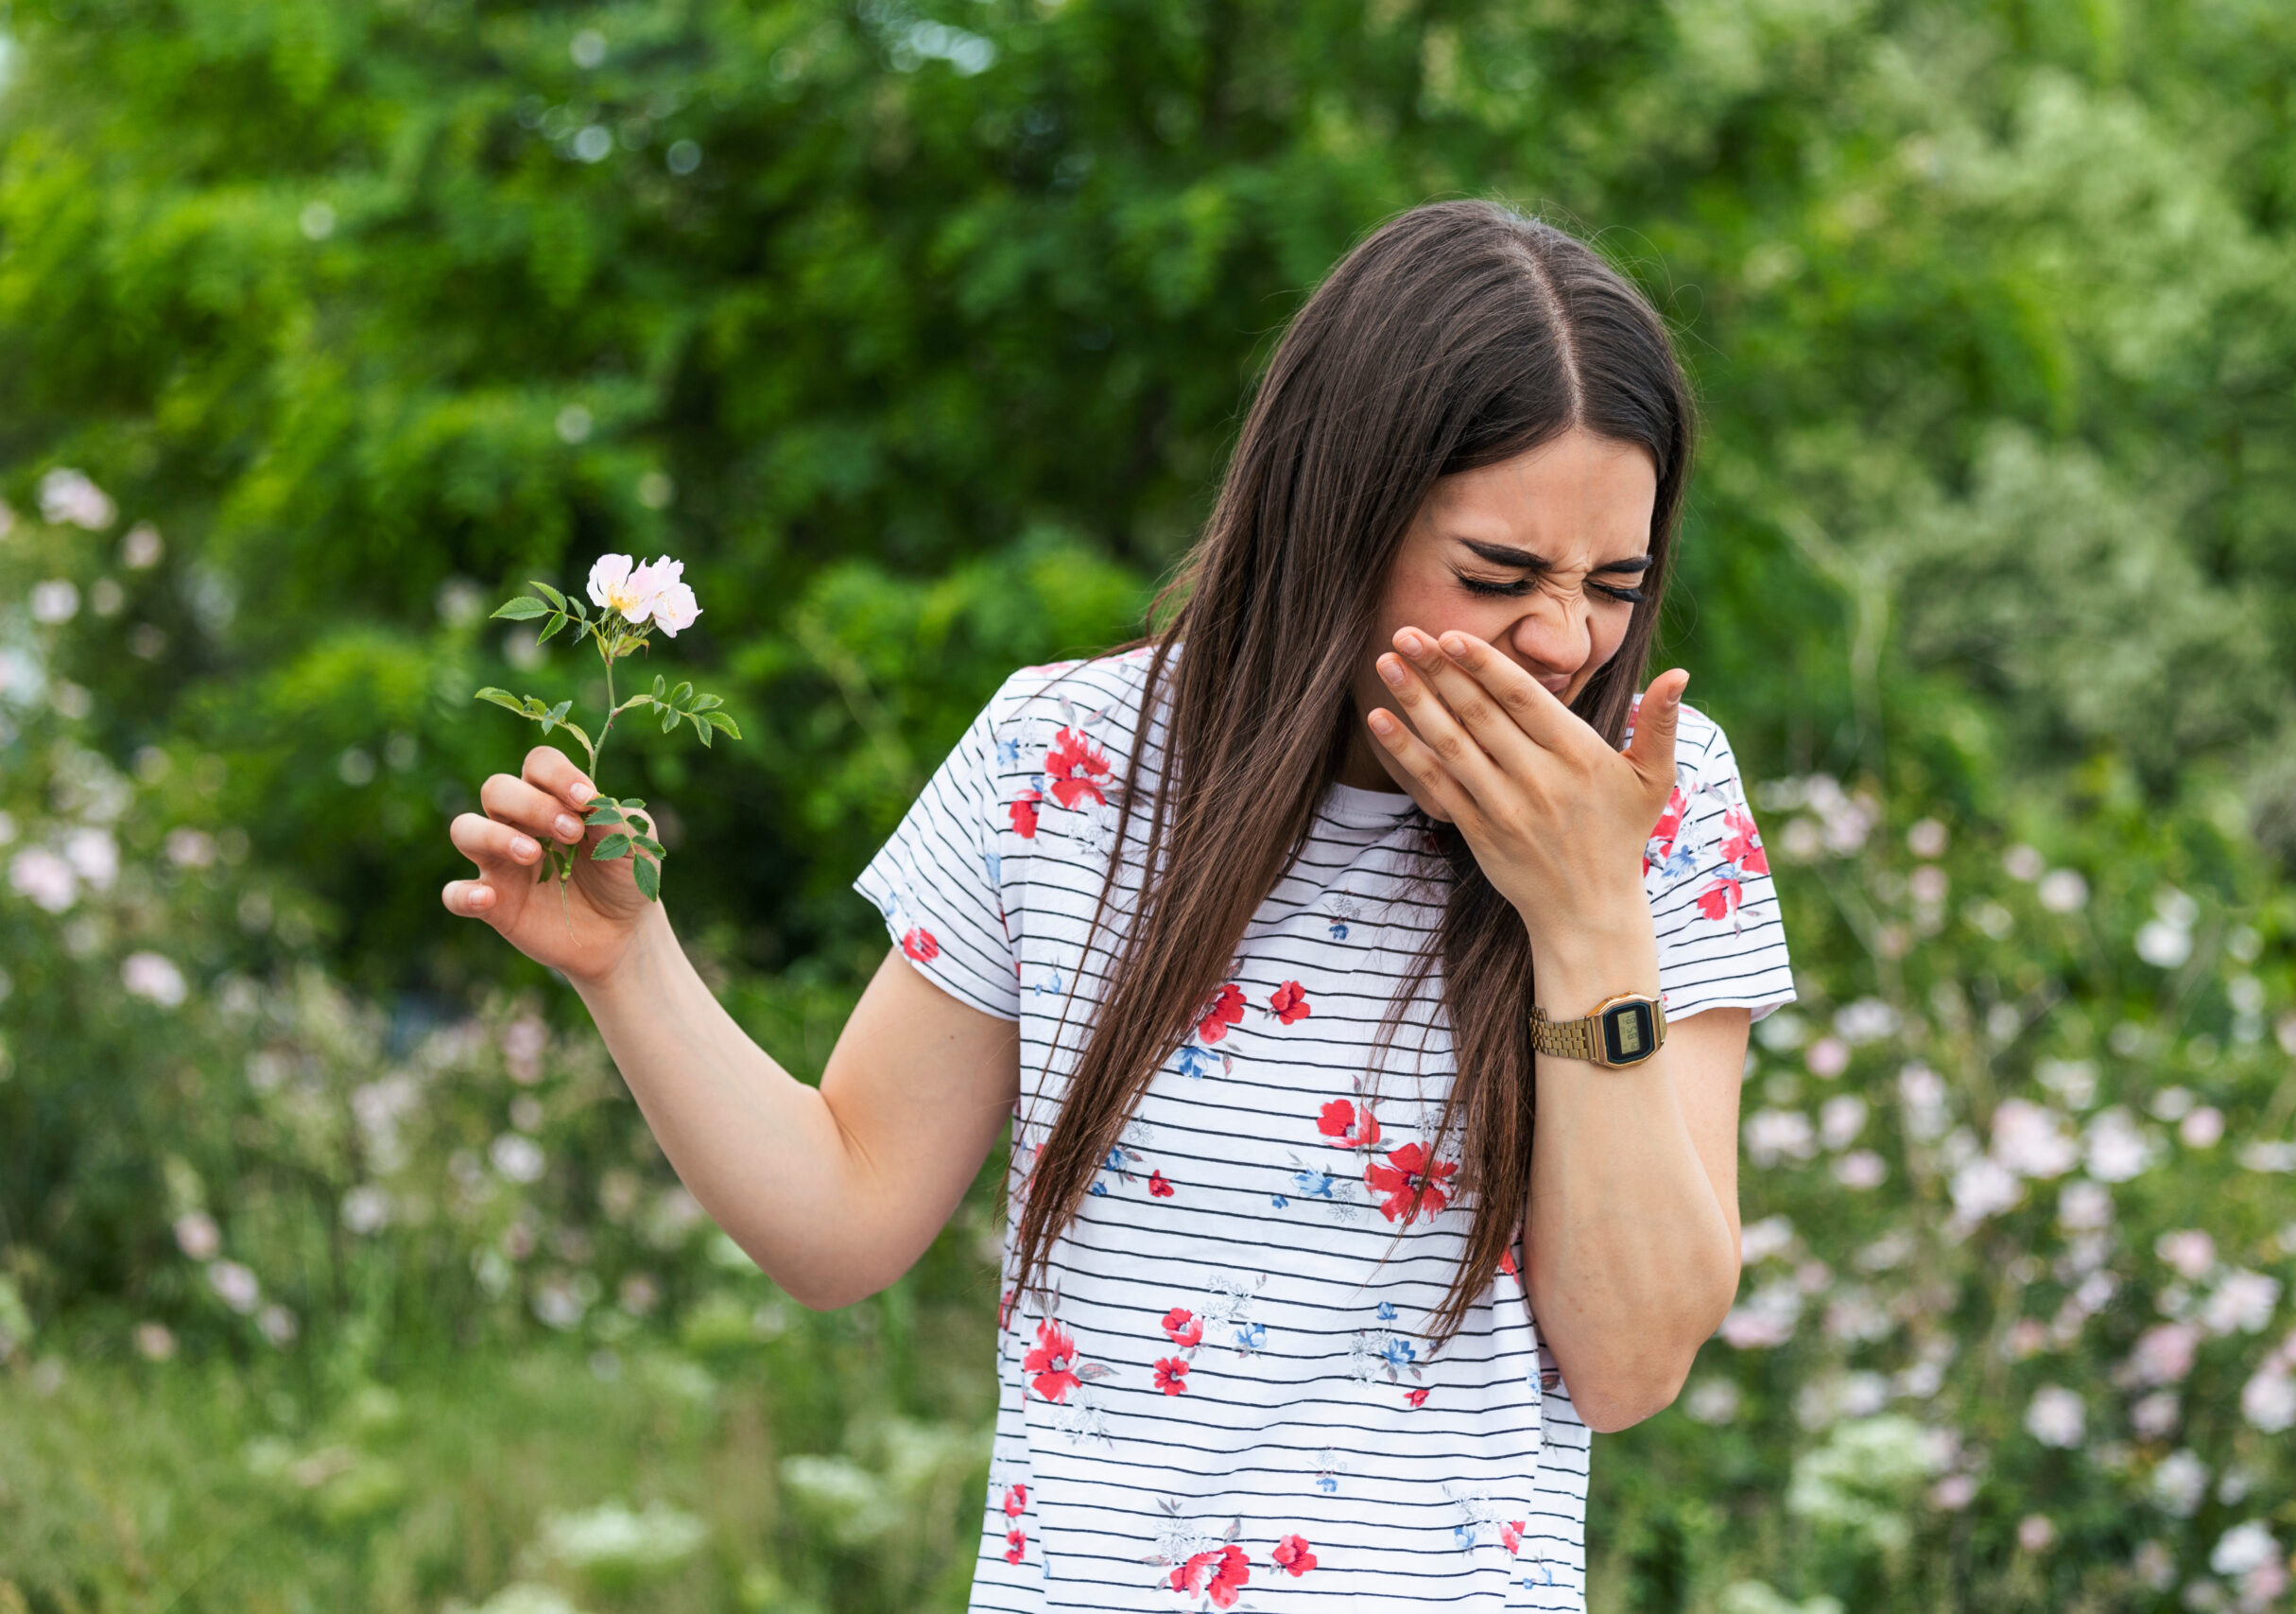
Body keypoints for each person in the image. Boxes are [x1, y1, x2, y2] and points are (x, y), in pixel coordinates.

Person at [441, 199, 1793, 1611]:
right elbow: (841, 1221)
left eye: (1614, 585)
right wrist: (629, 963)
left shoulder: (1660, 799)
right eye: (1498, 577)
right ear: (1337, 519)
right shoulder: (1069, 760)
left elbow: (1633, 1364)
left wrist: (1585, 919)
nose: (1566, 640)